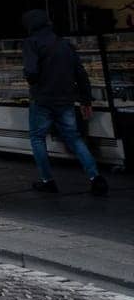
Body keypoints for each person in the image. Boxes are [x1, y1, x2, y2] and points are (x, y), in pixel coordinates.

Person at [22, 10, 109, 196]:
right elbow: (81, 73)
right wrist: (86, 99)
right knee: (74, 137)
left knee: (38, 138)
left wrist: (32, 80)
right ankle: (95, 177)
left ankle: (48, 180)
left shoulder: (31, 43)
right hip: (66, 100)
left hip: (42, 99)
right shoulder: (64, 44)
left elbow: (31, 71)